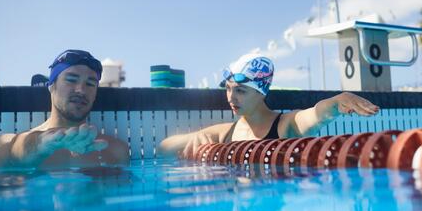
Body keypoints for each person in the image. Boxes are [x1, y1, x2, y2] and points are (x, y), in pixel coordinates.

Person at [159, 54, 379, 158]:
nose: (231, 97)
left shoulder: (284, 126)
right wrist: (195, 138)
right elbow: (163, 147)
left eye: (240, 90)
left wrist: (336, 101)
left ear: (261, 92)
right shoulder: (226, 132)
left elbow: (315, 115)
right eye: (228, 88)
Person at [0, 50, 130, 168]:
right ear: (51, 86)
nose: (81, 90)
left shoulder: (116, 151)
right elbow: (1, 148)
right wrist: (39, 145)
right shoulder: (11, 145)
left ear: (95, 94)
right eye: (71, 80)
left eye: (90, 83)